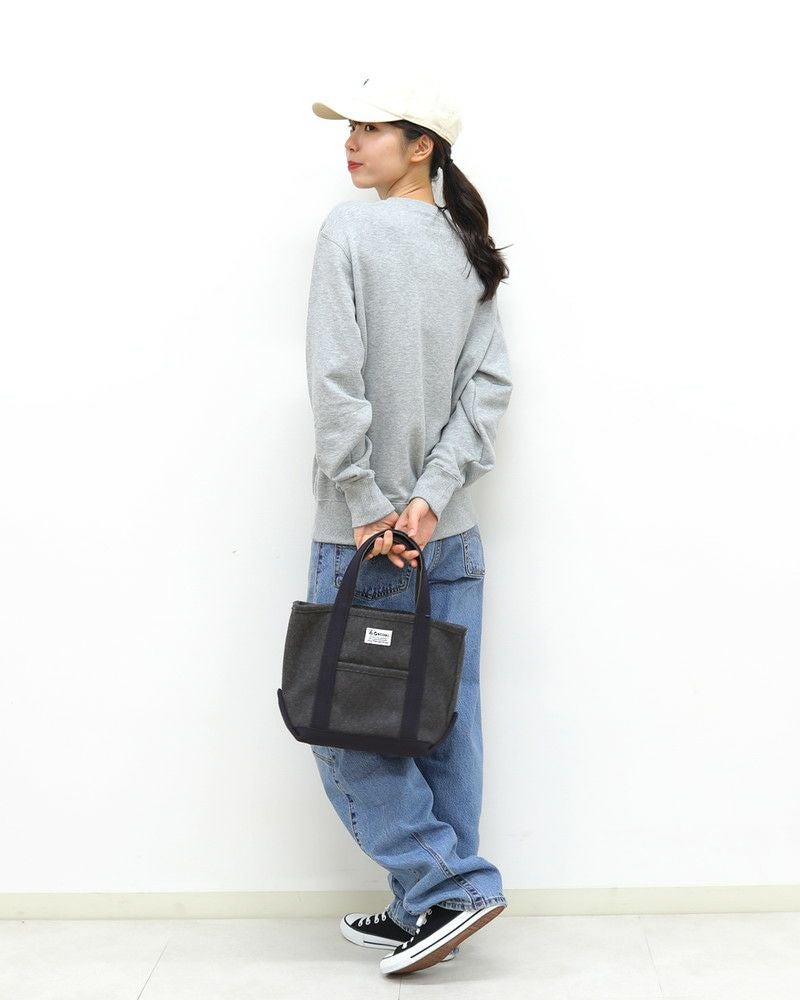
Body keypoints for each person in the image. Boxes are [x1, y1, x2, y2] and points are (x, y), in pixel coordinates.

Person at [304, 71, 514, 975]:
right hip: (446, 532)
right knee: (440, 720)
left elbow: (334, 382)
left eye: (370, 129)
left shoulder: (349, 231)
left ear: (421, 145)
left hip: (367, 537)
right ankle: (425, 906)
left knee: (344, 720)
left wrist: (372, 504)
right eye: (349, 129)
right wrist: (431, 498)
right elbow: (488, 391)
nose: (351, 143)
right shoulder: (470, 246)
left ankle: (446, 887)